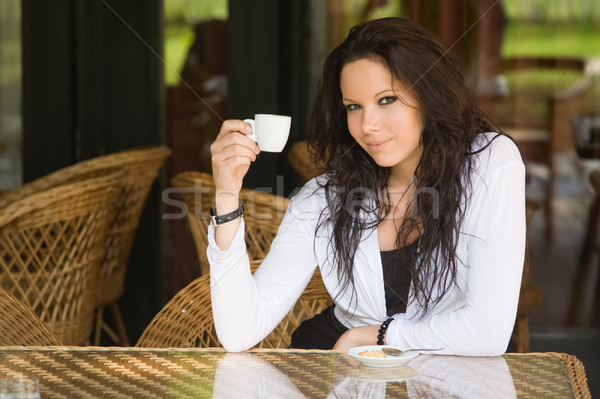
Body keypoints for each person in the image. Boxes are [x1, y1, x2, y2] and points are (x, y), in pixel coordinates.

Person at [208, 17, 525, 355]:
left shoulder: (489, 161)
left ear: (430, 94)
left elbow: (488, 334)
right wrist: (226, 194)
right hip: (334, 372)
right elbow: (239, 332)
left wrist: (375, 335)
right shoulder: (324, 198)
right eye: (353, 107)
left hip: (429, 375)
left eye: (386, 100)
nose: (368, 126)